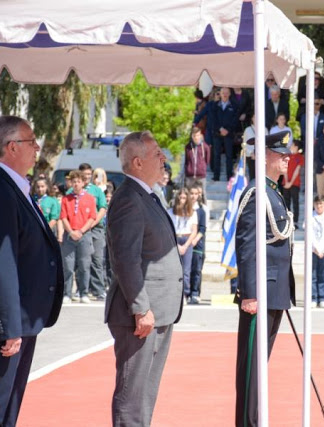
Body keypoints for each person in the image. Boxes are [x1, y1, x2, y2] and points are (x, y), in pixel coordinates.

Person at [0, 115, 63, 426]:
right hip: (7, 320)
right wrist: (9, 326)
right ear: (11, 147)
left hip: (21, 316)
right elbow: (1, 263)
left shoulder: (14, 186)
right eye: (30, 141)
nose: (37, 147)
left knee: (9, 404)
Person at [105, 131, 184, 426]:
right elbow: (125, 258)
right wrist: (140, 307)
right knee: (132, 395)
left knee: (145, 394)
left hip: (159, 310)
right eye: (157, 154)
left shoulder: (147, 194)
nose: (164, 159)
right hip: (140, 314)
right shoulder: (129, 199)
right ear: (138, 162)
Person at [234, 130, 295, 427]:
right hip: (260, 294)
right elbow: (246, 245)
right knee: (251, 372)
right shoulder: (257, 193)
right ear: (265, 156)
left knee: (260, 368)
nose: (287, 159)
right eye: (281, 154)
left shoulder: (273, 192)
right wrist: (249, 292)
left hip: (275, 291)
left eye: (287, 154)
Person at [71, 162, 108, 301]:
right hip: (79, 230)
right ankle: (81, 289)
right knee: (80, 261)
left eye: (89, 174)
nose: (87, 177)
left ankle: (98, 289)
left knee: (97, 260)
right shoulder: (72, 190)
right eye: (84, 175)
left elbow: (102, 208)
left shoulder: (96, 190)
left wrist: (92, 223)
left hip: (95, 229)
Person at [59, 170, 97, 304]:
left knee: (84, 265)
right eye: (73, 181)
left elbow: (92, 217)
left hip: (84, 235)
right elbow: (63, 217)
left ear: (83, 183)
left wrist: (81, 231)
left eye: (78, 181)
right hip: (70, 235)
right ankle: (67, 293)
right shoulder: (66, 199)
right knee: (68, 266)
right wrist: (70, 232)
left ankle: (83, 293)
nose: (76, 184)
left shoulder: (90, 198)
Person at [169, 187, 198, 301]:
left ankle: (184, 294)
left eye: (184, 198)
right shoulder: (171, 212)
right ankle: (173, 293)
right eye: (180, 197)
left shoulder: (192, 213)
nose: (182, 200)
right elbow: (169, 230)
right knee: (174, 269)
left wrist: (185, 246)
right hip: (174, 240)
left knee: (186, 271)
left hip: (187, 240)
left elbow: (194, 231)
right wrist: (177, 245)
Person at [213, 87, 239, 181]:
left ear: (229, 94)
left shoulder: (234, 106)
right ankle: (216, 176)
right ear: (220, 93)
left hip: (229, 134)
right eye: (223, 92)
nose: (224, 94)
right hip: (217, 133)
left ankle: (229, 176)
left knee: (229, 156)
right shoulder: (215, 105)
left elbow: (235, 120)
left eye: (226, 92)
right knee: (216, 155)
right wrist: (220, 129)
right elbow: (212, 119)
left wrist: (227, 130)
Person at [189, 183, 207, 304]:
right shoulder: (184, 209)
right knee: (186, 270)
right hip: (186, 243)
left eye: (196, 194)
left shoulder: (201, 211)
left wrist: (195, 239)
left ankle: (195, 292)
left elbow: (202, 228)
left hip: (197, 244)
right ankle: (186, 292)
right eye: (192, 193)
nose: (194, 196)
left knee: (196, 269)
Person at [282, 140, 304, 228]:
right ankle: (287, 221)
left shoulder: (300, 157)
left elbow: (297, 170)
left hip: (295, 183)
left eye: (292, 145)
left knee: (295, 202)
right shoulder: (287, 156)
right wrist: (286, 181)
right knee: (286, 202)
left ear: (296, 147)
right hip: (285, 182)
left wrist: (290, 183)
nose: (290, 146)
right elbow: (285, 169)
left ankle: (295, 222)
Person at [185, 126, 211, 193]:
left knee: (202, 194)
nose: (196, 137)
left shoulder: (205, 147)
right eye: (194, 135)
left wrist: (202, 167)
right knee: (188, 194)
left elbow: (207, 160)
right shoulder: (188, 147)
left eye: (197, 135)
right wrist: (188, 169)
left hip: (201, 175)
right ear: (192, 136)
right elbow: (187, 160)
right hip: (190, 175)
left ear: (200, 135)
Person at [242, 113, 267, 182]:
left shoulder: (264, 129)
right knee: (252, 176)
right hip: (251, 156)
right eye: (254, 117)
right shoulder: (247, 130)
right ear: (252, 119)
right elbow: (245, 144)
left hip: (262, 157)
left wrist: (259, 153)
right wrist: (252, 153)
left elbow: (267, 143)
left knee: (261, 177)